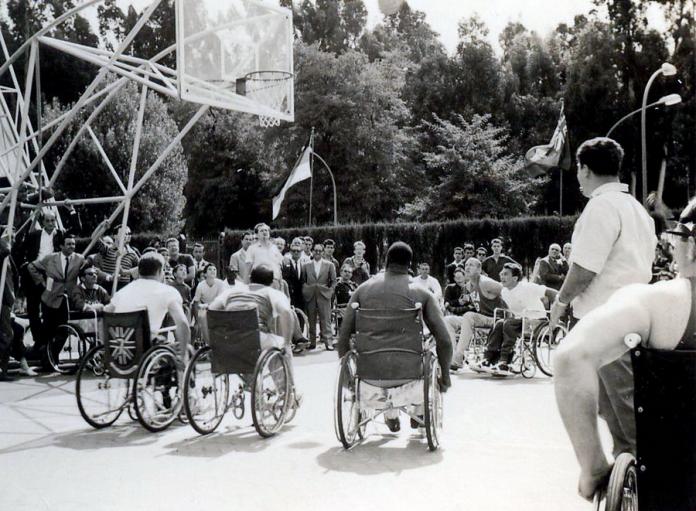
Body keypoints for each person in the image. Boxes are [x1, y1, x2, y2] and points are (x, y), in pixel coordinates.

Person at [553, 197, 696, 502]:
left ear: (692, 246)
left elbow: (570, 358)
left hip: (675, 484)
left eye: (677, 237)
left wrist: (592, 466)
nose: (671, 246)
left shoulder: (654, 303)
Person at [549, 137, 656, 499]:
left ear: (585, 169)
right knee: (617, 410)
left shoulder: (600, 208)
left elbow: (584, 268)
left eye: (579, 170)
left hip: (605, 322)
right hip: (635, 313)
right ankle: (627, 480)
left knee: (621, 412)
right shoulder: (636, 209)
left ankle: (635, 485)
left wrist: (560, 301)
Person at [337, 241, 452, 433]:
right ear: (411, 265)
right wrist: (446, 378)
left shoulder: (362, 290)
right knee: (425, 351)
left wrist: (349, 378)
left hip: (369, 375)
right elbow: (445, 341)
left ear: (385, 261)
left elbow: (343, 338)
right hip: (409, 374)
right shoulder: (421, 293)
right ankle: (419, 411)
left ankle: (390, 414)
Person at [209, 264, 301, 395]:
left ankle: (253, 388)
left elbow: (211, 309)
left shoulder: (231, 291)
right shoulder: (272, 293)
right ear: (271, 281)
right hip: (254, 338)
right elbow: (287, 313)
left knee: (246, 347)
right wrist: (286, 343)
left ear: (250, 278)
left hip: (227, 340)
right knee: (281, 346)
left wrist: (211, 341)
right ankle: (288, 392)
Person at [106, 252, 190, 372]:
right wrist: (183, 355)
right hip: (145, 349)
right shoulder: (168, 292)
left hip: (118, 350)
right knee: (182, 349)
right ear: (160, 272)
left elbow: (106, 312)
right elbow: (183, 323)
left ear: (139, 271)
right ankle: (181, 387)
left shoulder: (123, 291)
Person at [15, 207, 81, 356]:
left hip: (50, 276)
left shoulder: (60, 235)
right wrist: (25, 264)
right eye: (48, 221)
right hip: (34, 272)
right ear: (43, 222)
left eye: (53, 220)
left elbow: (77, 229)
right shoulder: (35, 235)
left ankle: (45, 343)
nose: (51, 223)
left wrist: (71, 211)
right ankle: (39, 341)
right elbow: (21, 245)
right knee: (32, 308)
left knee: (47, 308)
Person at [473, 263, 556, 376]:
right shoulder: (504, 291)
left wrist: (558, 310)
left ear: (515, 278)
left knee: (508, 324)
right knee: (499, 323)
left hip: (537, 320)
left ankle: (504, 361)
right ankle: (488, 359)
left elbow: (551, 292)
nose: (502, 276)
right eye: (501, 274)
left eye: (506, 274)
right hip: (521, 321)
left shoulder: (527, 287)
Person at [27, 234, 86, 371]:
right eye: (69, 244)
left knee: (64, 331)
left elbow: (89, 269)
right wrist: (42, 283)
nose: (72, 246)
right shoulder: (50, 258)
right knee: (48, 331)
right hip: (49, 298)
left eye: (73, 244)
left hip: (67, 299)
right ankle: (48, 360)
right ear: (61, 246)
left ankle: (50, 358)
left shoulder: (79, 259)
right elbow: (31, 267)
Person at [446, 257, 504, 371]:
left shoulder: (486, 282)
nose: (467, 267)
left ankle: (458, 356)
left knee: (469, 315)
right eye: (466, 264)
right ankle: (454, 355)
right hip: (482, 318)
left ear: (479, 269)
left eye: (471, 265)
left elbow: (507, 290)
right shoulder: (468, 286)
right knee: (448, 320)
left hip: (496, 319)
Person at [0, 237, 35, 379]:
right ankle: (2, 370)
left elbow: (15, 275)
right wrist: (5, 242)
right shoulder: (3, 251)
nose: (12, 238)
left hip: (7, 300)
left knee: (15, 331)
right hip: (1, 299)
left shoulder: (8, 257)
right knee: (6, 335)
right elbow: (5, 250)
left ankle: (21, 365)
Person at [302, 243, 336, 350]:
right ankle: (312, 342)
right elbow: (303, 280)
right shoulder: (306, 265)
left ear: (322, 252)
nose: (317, 252)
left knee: (326, 319)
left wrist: (330, 291)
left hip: (324, 294)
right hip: (311, 294)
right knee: (311, 318)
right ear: (312, 251)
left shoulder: (329, 264)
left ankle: (328, 342)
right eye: (315, 250)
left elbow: (334, 281)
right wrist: (306, 290)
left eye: (319, 250)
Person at [192, 263, 228, 343]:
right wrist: (197, 320)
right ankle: (204, 342)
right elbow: (196, 302)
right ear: (205, 274)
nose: (213, 271)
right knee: (201, 321)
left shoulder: (221, 283)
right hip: (204, 308)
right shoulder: (200, 285)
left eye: (214, 269)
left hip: (218, 308)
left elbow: (220, 300)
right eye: (210, 269)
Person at [246, 223, 284, 288]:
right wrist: (245, 286)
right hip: (259, 283)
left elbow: (279, 268)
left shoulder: (275, 248)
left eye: (266, 230)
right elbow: (247, 269)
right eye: (261, 231)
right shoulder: (252, 248)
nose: (264, 232)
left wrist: (281, 284)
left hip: (275, 282)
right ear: (257, 234)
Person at [281, 238, 305, 310]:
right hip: (291, 294)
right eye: (294, 251)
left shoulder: (304, 263)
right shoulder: (286, 263)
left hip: (301, 296)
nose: (296, 253)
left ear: (301, 252)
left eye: (298, 251)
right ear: (291, 252)